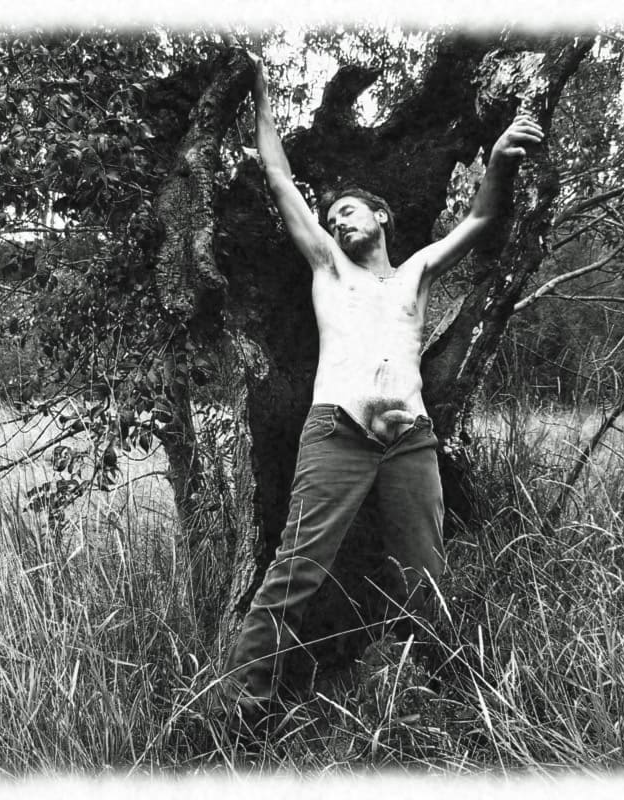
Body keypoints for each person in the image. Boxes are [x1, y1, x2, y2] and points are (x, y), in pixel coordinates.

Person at [220, 53, 543, 731]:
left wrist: (498, 158)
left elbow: (481, 220)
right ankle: (245, 709)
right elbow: (278, 177)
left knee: (425, 575)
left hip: (409, 442)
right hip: (337, 433)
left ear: (382, 216)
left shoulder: (415, 273)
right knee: (298, 567)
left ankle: (457, 704)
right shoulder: (327, 268)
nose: (338, 222)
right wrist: (261, 96)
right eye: (331, 217)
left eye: (348, 211)